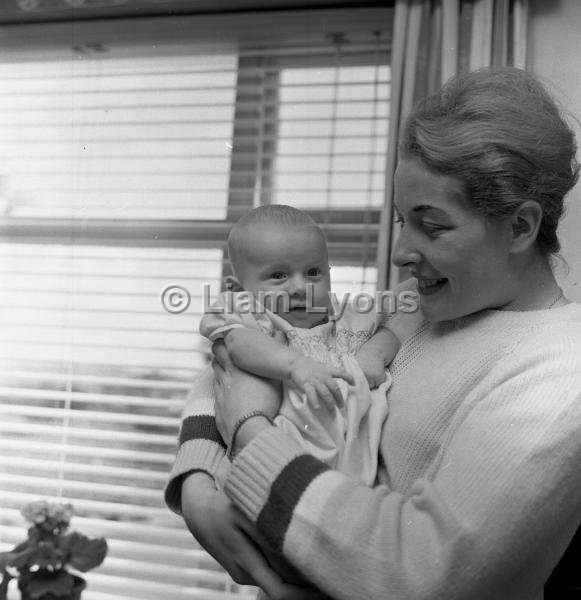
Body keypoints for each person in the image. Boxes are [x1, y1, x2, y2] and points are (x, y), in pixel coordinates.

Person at [166, 67, 581, 600]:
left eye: (432, 225)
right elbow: (233, 365)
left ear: (521, 227)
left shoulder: (560, 373)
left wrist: (249, 436)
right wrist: (197, 482)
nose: (400, 253)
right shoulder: (422, 308)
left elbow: (421, 572)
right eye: (401, 220)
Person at [198, 204, 419, 486]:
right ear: (239, 290)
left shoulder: (345, 317)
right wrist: (296, 365)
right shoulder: (253, 319)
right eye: (279, 275)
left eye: (313, 272)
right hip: (272, 460)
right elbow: (239, 345)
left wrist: (373, 354)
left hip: (352, 463)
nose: (301, 286)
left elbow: (388, 333)